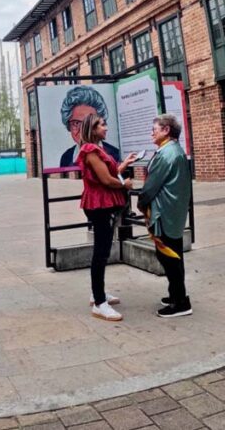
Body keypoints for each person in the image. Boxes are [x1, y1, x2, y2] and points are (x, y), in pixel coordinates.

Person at [76, 113, 137, 322]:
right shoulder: (90, 150)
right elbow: (106, 180)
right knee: (101, 253)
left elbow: (109, 172)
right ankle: (100, 303)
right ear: (92, 129)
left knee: (102, 250)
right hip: (99, 204)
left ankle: (97, 294)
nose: (106, 128)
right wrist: (124, 184)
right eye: (102, 125)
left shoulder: (97, 149)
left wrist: (124, 164)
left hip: (102, 203)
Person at [137, 114, 193, 318]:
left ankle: (180, 302)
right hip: (173, 212)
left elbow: (152, 185)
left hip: (165, 213)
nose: (152, 132)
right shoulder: (173, 150)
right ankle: (176, 295)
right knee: (173, 255)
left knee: (169, 256)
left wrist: (141, 202)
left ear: (166, 130)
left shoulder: (166, 153)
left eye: (155, 128)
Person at [59, 86, 121, 168]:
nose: (83, 129)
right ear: (69, 126)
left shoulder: (115, 154)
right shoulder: (66, 157)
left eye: (89, 122)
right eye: (76, 123)